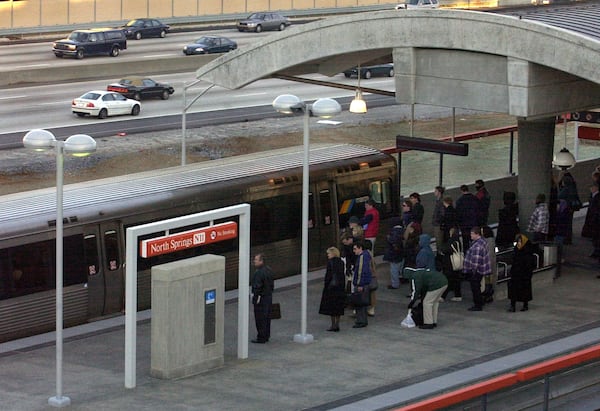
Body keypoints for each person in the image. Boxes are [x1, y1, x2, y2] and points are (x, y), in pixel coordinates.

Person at [462, 226, 491, 312]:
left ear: (476, 234)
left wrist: (472, 270)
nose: (470, 235)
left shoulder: (477, 246)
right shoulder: (482, 242)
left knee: (475, 288)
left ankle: (478, 304)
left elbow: (476, 260)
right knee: (477, 286)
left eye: (472, 233)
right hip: (482, 269)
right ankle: (480, 302)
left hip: (477, 270)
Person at [507, 234, 538, 312]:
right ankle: (512, 305)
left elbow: (530, 263)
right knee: (514, 289)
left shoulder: (527, 251)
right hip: (516, 273)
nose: (519, 243)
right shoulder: (516, 249)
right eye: (518, 242)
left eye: (520, 242)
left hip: (524, 274)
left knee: (524, 289)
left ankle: (525, 304)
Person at [319, 247, 346, 332]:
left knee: (331, 307)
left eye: (329, 253)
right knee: (338, 307)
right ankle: (337, 324)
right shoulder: (341, 262)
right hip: (340, 287)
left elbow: (328, 276)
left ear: (333, 253)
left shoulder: (330, 263)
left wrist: (326, 285)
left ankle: (333, 324)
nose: (328, 255)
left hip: (331, 288)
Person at [251, 253, 275, 343]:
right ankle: (266, 335)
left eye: (256, 260)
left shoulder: (259, 273)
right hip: (268, 297)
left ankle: (261, 337)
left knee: (260, 318)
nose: (254, 261)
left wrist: (254, 299)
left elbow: (257, 287)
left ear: (261, 261)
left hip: (261, 298)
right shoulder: (269, 270)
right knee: (267, 317)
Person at [351, 241, 372, 328]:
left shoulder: (362, 257)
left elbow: (361, 271)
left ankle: (361, 321)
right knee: (362, 303)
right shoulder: (367, 255)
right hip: (365, 283)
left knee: (360, 304)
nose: (354, 251)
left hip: (361, 284)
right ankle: (362, 320)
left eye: (355, 249)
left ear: (360, 248)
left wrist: (359, 284)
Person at [440, 227, 463, 301]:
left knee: (448, 280)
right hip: (456, 263)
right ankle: (457, 295)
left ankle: (443, 296)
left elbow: (446, 249)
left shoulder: (451, 241)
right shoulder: (458, 241)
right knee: (456, 280)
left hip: (450, 263)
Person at [558, 172, 581, 244]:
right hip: (571, 207)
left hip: (566, 208)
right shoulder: (573, 187)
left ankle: (566, 238)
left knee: (566, 224)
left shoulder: (566, 189)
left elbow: (559, 196)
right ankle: (568, 238)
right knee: (569, 224)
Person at [456, 185, 481, 250]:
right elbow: (479, 211)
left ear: (461, 191)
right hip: (474, 223)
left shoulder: (459, 201)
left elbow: (458, 214)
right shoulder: (475, 198)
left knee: (466, 242)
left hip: (464, 226)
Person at [383, 217, 405, 289]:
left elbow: (394, 241)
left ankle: (395, 284)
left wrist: (388, 238)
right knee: (400, 267)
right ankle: (401, 278)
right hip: (401, 252)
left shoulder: (394, 232)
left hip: (394, 253)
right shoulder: (403, 230)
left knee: (394, 269)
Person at [581, 183, 600, 258]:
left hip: (596, 219)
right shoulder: (593, 196)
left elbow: (595, 209)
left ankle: (597, 251)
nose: (590, 189)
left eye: (592, 187)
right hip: (594, 218)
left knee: (596, 237)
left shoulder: (597, 197)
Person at [481, 225, 497, 304]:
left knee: (488, 281)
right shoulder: (491, 240)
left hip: (488, 264)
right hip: (490, 264)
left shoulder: (488, 241)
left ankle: (488, 295)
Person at [431, 186, 446, 251]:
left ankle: (440, 254)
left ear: (439, 192)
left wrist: (437, 220)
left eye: (435, 191)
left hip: (438, 224)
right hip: (438, 223)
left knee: (439, 241)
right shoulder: (440, 201)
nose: (434, 192)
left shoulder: (440, 202)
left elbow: (442, 214)